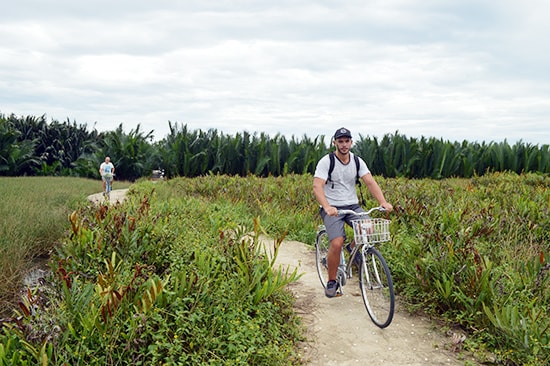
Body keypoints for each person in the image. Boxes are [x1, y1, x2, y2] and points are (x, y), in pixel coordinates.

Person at [313, 127, 393, 298]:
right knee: (336, 242)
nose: (343, 144)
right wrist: (327, 206)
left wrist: (383, 202)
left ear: (351, 142)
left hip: (353, 206)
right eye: (340, 141)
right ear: (335, 142)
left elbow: (370, 182)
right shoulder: (327, 161)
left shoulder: (357, 161)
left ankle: (352, 248)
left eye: (346, 141)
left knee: (368, 228)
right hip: (332, 208)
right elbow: (317, 186)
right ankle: (332, 281)